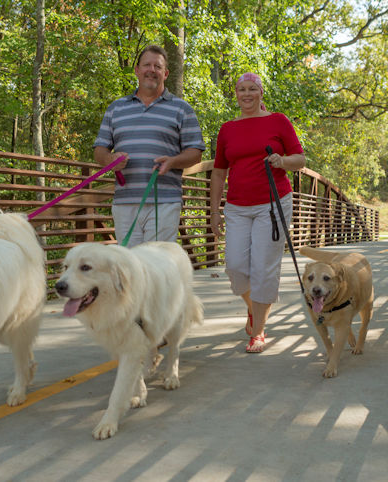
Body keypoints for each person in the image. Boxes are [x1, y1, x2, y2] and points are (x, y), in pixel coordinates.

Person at [210, 72, 306, 353]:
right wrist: (214, 212)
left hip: (273, 204)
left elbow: (300, 159)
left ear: (261, 92)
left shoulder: (278, 121)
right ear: (236, 94)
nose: (247, 94)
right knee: (235, 266)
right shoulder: (227, 128)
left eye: (252, 88)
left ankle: (259, 331)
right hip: (237, 206)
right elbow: (218, 172)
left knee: (264, 266)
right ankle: (255, 308)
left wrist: (282, 160)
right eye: (241, 89)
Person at [94, 45, 205, 247]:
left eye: (157, 66)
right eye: (147, 65)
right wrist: (110, 160)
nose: (151, 70)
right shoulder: (116, 108)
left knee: (156, 264)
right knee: (130, 266)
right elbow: (100, 150)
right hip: (124, 200)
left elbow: (195, 153)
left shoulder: (182, 109)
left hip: (164, 200)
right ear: (137, 70)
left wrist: (173, 161)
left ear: (166, 73)